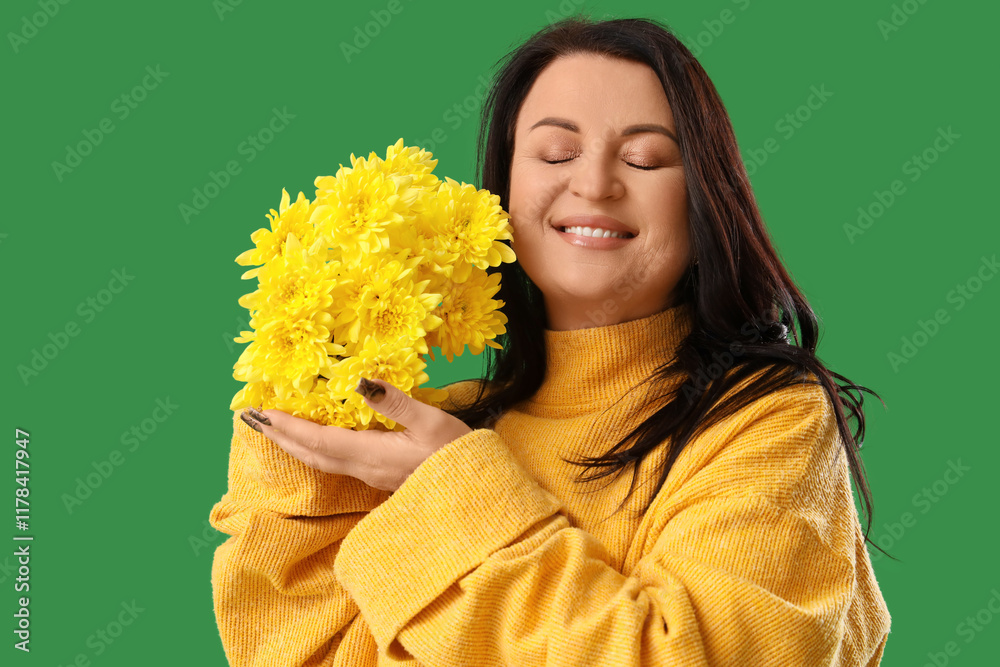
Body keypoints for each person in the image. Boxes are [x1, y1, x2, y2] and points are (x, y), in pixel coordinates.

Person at [209, 16, 893, 666]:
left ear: (704, 200)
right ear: (502, 190)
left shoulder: (765, 420)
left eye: (647, 158)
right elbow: (307, 649)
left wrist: (454, 492)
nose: (594, 183)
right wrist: (304, 402)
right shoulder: (438, 428)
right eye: (557, 152)